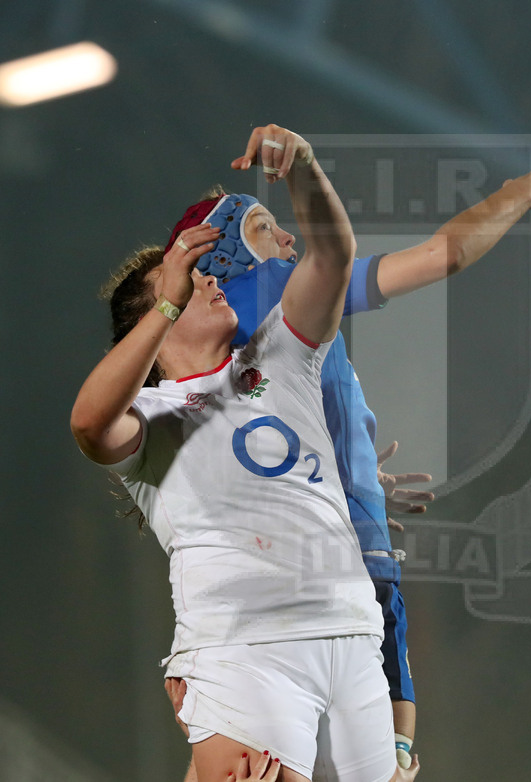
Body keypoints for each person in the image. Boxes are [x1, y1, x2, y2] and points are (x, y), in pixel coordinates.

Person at [164, 149, 531, 774]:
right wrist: (519, 192)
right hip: (327, 566)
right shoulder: (270, 288)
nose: (288, 238)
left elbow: (238, 427)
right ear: (222, 253)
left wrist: (333, 473)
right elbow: (442, 255)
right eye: (265, 227)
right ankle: (399, 755)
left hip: (271, 571)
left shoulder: (212, 347)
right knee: (376, 666)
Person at [71, 124, 417, 782]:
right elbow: (89, 424)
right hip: (248, 651)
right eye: (183, 282)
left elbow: (332, 258)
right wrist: (168, 299)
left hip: (350, 638)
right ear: (156, 316)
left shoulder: (277, 359)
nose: (206, 282)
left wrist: (305, 169)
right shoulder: (151, 417)